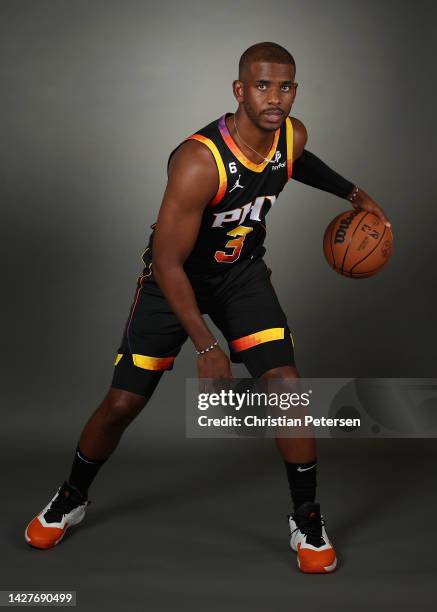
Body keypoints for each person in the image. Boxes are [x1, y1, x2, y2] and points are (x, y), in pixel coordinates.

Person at [25, 42, 390, 573]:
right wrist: (207, 344)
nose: (274, 97)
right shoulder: (199, 161)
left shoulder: (292, 134)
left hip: (240, 276)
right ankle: (72, 495)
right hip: (173, 284)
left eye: (285, 87)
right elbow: (169, 264)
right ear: (239, 90)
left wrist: (354, 193)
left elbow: (296, 161)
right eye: (262, 86)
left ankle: (307, 520)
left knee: (287, 390)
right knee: (124, 404)